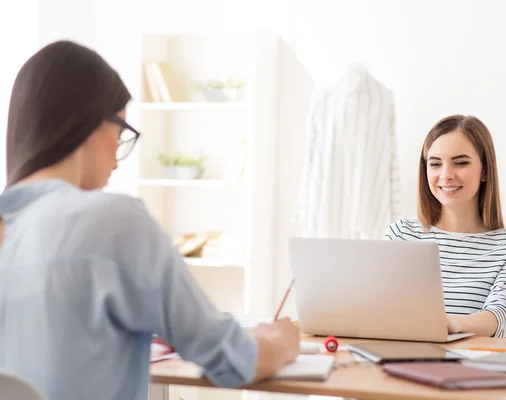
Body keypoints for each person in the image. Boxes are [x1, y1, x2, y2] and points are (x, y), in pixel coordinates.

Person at [0, 40, 299, 400]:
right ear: (90, 124)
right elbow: (231, 358)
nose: (117, 157)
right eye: (122, 132)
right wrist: (281, 341)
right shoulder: (113, 222)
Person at [385, 115, 506, 338]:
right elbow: (378, 306)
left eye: (461, 162)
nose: (446, 175)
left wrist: (449, 323)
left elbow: (498, 319)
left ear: (485, 170)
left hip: (471, 366)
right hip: (400, 358)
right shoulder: (401, 234)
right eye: (435, 164)